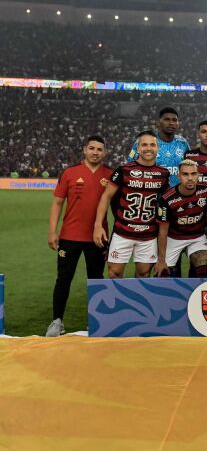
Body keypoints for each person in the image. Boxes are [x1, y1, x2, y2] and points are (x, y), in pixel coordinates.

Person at [46, 135, 112, 337]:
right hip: (70, 236)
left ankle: (97, 322)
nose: (95, 152)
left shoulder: (109, 175)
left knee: (96, 279)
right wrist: (52, 231)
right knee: (63, 279)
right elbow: (57, 203)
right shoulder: (70, 173)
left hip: (97, 238)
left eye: (99, 149)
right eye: (91, 148)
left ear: (105, 153)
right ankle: (57, 321)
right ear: (84, 150)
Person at [94, 131, 170, 278]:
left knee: (143, 274)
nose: (148, 148)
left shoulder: (164, 174)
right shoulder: (123, 170)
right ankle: (115, 301)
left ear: (158, 148)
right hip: (123, 233)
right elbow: (106, 197)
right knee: (114, 273)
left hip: (148, 235)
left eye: (152, 145)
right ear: (138, 147)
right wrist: (98, 226)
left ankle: (137, 301)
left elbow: (165, 205)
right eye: (144, 145)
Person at [154, 160, 207, 278]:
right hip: (174, 237)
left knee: (203, 264)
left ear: (198, 175)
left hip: (197, 237)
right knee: (163, 273)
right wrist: (161, 260)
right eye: (185, 174)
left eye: (193, 174)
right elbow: (162, 232)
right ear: (178, 176)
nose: (190, 178)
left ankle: (194, 293)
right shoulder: (167, 199)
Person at [129, 107, 189, 187]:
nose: (171, 123)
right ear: (158, 122)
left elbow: (189, 167)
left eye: (174, 120)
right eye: (167, 119)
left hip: (176, 195)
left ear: (178, 123)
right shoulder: (145, 141)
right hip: (151, 191)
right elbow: (129, 163)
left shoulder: (183, 143)